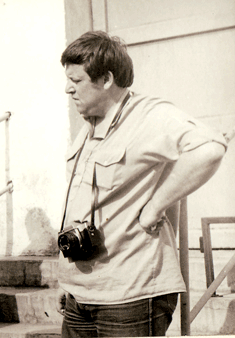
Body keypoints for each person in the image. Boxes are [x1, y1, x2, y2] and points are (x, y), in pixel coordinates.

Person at [55, 31, 227, 337]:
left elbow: (210, 148)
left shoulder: (149, 115)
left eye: (76, 81)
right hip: (82, 293)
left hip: (130, 295)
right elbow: (81, 204)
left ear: (106, 79)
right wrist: (68, 280)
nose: (68, 89)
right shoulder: (89, 125)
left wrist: (156, 205)